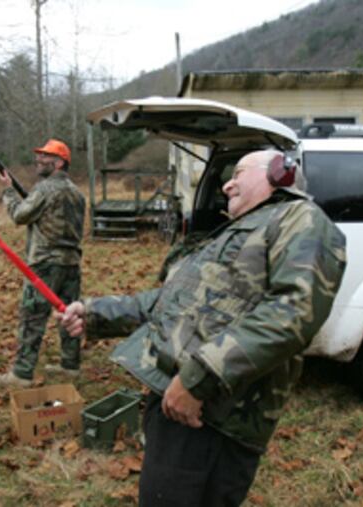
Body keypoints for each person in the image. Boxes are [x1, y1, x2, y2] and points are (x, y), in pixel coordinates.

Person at [59, 149, 347, 506]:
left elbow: (293, 313)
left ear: (280, 173)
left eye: (239, 172)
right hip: (179, 398)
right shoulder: (236, 232)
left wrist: (199, 378)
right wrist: (95, 313)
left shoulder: (300, 219)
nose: (227, 184)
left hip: (214, 415)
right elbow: (170, 302)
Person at [0, 139, 86, 387]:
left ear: (59, 162)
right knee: (68, 315)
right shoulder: (77, 193)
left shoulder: (44, 189)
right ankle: (70, 366)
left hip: (45, 265)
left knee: (33, 318)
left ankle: (21, 374)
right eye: (39, 155)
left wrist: (9, 191)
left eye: (45, 156)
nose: (38, 160)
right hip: (71, 263)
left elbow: (20, 216)